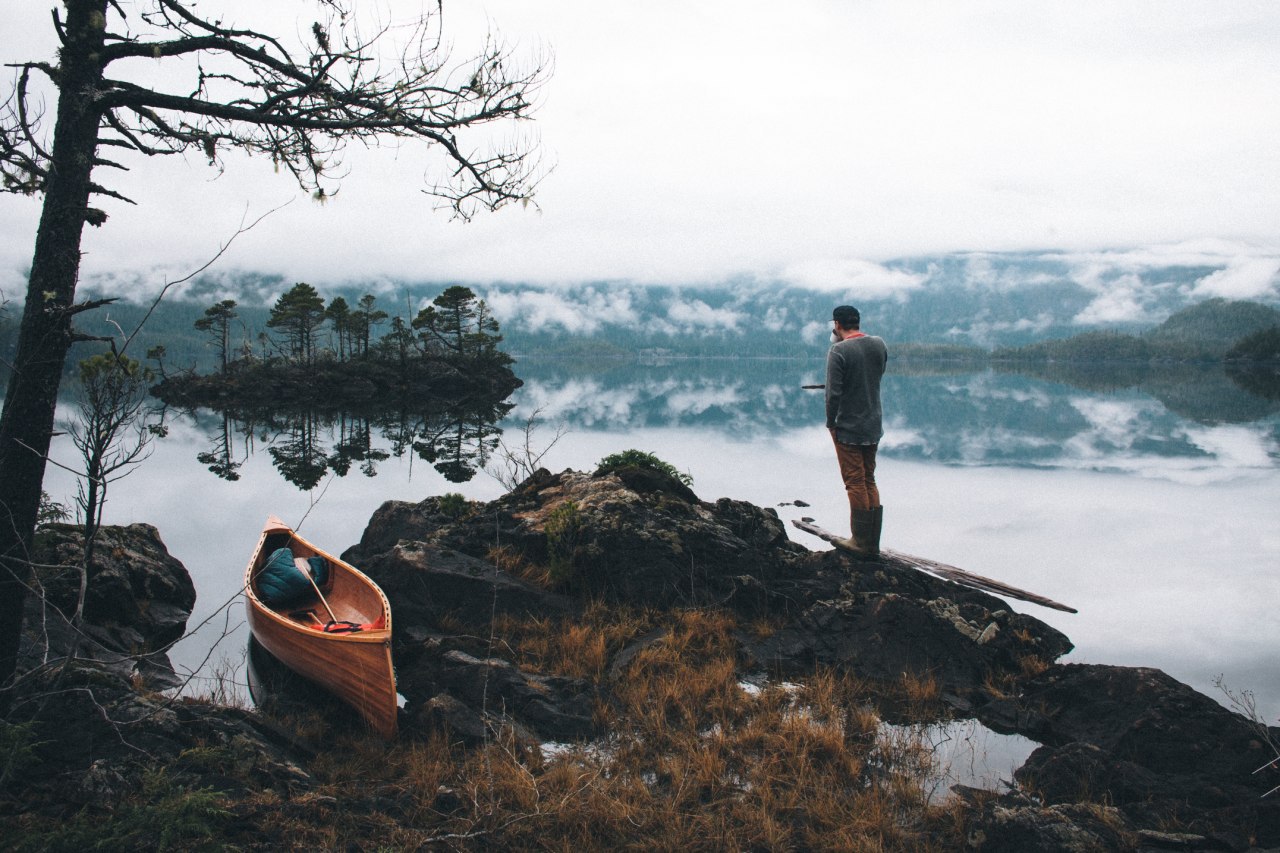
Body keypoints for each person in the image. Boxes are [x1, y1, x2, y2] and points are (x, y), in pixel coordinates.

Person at [825, 305, 888, 556]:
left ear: (837, 325)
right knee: (868, 478)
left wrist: (831, 424)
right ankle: (872, 542)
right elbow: (874, 376)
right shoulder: (879, 344)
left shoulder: (838, 350)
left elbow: (833, 395)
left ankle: (860, 542)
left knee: (854, 482)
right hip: (873, 423)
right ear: (857, 322)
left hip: (849, 426)